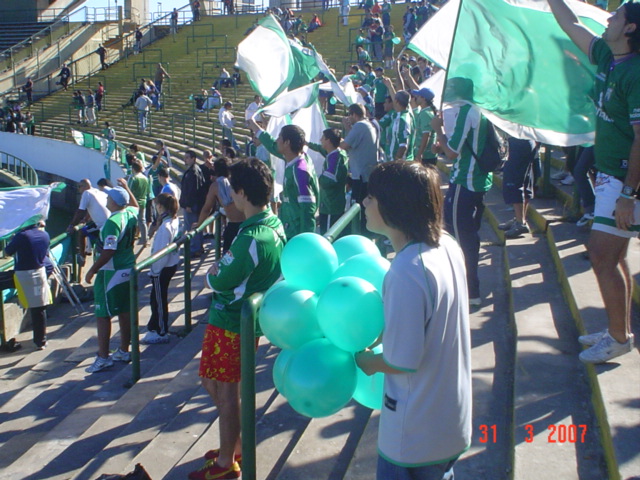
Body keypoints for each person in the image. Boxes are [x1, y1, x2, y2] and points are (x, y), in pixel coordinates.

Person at [355, 161, 472, 480]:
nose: (364, 203)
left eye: (371, 197)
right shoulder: (447, 245)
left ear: (393, 205)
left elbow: (402, 360)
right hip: (452, 418)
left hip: (415, 431)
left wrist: (368, 361)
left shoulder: (406, 270)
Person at [548, 0, 639, 363]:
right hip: (610, 176)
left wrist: (629, 194)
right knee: (615, 256)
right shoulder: (605, 54)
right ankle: (621, 331)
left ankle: (618, 337)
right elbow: (570, 24)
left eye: (615, 15)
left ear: (630, 28)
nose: (608, 18)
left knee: (601, 256)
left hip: (624, 179)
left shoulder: (635, 73)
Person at [188, 158, 285, 480]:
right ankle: (237, 445)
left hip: (230, 322)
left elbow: (219, 278)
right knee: (213, 382)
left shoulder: (251, 238)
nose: (231, 198)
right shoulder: (273, 225)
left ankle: (226, 463)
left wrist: (213, 274)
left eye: (233, 191)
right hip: (237, 321)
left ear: (242, 193)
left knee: (227, 393)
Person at [430, 77, 493, 306]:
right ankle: (470, 289)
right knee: (467, 235)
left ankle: (468, 290)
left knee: (458, 237)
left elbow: (453, 153)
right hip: (476, 181)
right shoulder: (479, 110)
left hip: (465, 181)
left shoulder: (467, 111)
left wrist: (438, 132)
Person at [84, 179, 139, 374]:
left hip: (111, 271)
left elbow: (108, 251)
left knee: (103, 314)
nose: (106, 198)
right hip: (128, 267)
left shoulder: (112, 222)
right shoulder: (130, 214)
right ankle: (124, 350)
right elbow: (136, 205)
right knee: (125, 309)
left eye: (108, 197)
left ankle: (103, 357)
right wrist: (127, 189)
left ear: (114, 202)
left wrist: (92, 270)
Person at [250, 121, 319, 239]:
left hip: (296, 234)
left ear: (287, 143)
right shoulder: (293, 157)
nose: (276, 140)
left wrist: (305, 241)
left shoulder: (300, 171)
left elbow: (308, 209)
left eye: (279, 137)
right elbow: (271, 145)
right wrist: (254, 124)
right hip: (290, 226)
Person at [5, 221, 53, 351]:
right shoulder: (45, 235)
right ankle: (41, 341)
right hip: (39, 272)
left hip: (22, 274)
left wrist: (12, 239)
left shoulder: (22, 236)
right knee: (39, 308)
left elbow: (7, 252)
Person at [140, 193, 180, 345]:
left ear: (161, 207)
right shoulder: (173, 221)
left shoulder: (165, 227)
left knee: (158, 299)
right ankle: (154, 326)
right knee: (157, 298)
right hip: (170, 265)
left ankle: (161, 331)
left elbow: (160, 253)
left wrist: (154, 270)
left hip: (162, 269)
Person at [340, 103, 379, 233]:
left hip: (361, 174)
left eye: (349, 115)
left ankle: (360, 231)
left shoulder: (359, 125)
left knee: (358, 205)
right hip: (367, 171)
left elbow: (345, 145)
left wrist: (343, 132)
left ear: (354, 115)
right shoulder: (368, 124)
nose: (348, 118)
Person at [195, 157, 245, 252]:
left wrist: (199, 224)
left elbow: (207, 208)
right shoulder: (238, 180)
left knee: (228, 259)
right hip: (247, 223)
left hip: (234, 226)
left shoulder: (215, 186)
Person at [498, 138, 540, 239]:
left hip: (521, 142)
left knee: (514, 182)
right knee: (524, 181)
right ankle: (520, 219)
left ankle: (520, 222)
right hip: (527, 141)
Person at [309, 128, 349, 234]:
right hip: (332, 203)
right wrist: (307, 144)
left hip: (330, 205)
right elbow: (320, 148)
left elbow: (328, 180)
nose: (320, 140)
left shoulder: (335, 158)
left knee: (328, 236)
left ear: (329, 141)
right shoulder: (336, 153)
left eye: (323, 138)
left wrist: (315, 179)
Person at [67, 179, 111, 264]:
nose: (78, 189)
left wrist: (71, 225)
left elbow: (80, 211)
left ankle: (82, 257)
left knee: (82, 232)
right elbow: (93, 208)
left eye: (79, 186)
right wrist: (86, 219)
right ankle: (88, 249)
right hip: (109, 221)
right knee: (88, 228)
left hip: (102, 225)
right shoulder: (97, 191)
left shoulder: (86, 193)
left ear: (86, 186)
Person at [180, 150, 208, 257]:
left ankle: (195, 249)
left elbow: (193, 190)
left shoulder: (193, 172)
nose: (185, 159)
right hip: (194, 204)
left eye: (187, 157)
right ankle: (198, 247)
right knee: (195, 226)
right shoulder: (194, 170)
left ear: (193, 158)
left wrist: (189, 205)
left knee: (192, 227)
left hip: (192, 206)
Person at [128, 159, 151, 246]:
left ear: (133, 168)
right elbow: (148, 191)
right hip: (143, 202)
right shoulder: (145, 178)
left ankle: (131, 241)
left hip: (133, 203)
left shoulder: (133, 178)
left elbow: (128, 191)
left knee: (132, 222)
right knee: (142, 221)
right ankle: (145, 240)